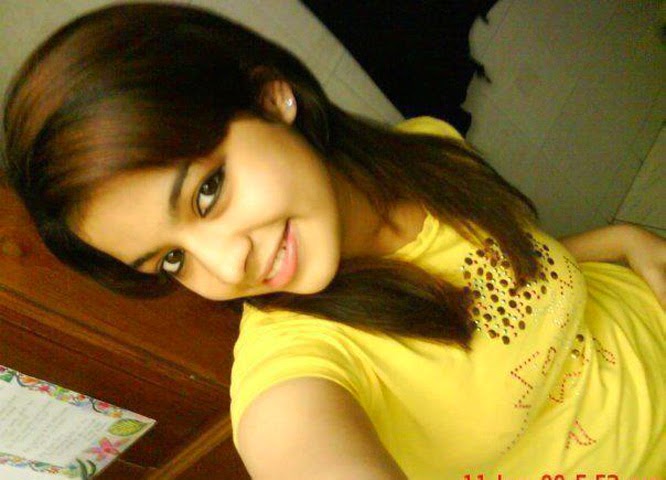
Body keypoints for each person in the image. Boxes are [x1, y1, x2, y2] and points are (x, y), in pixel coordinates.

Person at [2, 3, 664, 478]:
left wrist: (621, 240)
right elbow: (298, 442)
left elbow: (502, 273)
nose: (227, 265)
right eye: (172, 259)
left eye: (208, 191)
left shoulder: (424, 147)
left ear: (271, 99)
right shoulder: (293, 370)